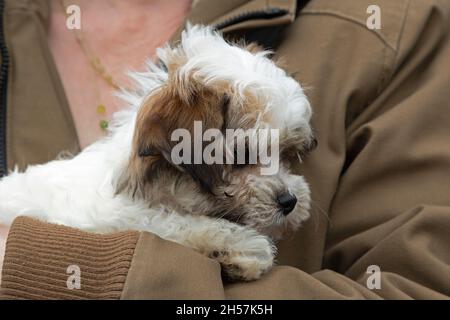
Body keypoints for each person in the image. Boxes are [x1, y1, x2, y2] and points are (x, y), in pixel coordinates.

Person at [1, 0, 450, 299]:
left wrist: (33, 263)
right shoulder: (99, 197)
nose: (284, 190)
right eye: (240, 159)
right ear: (178, 153)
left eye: (282, 157)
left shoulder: (400, 21)